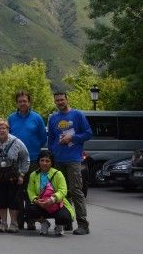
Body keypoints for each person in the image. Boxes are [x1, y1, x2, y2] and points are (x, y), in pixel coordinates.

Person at [47, 92, 93, 235]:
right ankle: (66, 221)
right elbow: (51, 139)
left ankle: (83, 224)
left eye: (62, 99)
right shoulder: (53, 118)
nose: (60, 102)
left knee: (76, 191)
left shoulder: (78, 115)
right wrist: (52, 154)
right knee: (61, 193)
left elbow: (88, 133)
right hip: (58, 160)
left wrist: (72, 137)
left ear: (67, 99)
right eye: (57, 100)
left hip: (73, 159)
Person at [8, 90, 47, 230]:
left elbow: (43, 138)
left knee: (32, 192)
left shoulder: (37, 118)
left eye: (25, 101)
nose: (22, 103)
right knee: (17, 192)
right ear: (17, 103)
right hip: (15, 162)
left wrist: (34, 150)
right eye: (20, 101)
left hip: (33, 160)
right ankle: (18, 221)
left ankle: (31, 220)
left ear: (29, 102)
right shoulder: (11, 118)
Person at [26, 150, 75, 236]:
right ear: (39, 161)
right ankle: (44, 223)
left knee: (64, 217)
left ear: (51, 162)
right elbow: (30, 190)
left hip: (56, 204)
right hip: (41, 204)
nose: (44, 163)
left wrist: (52, 199)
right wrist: (36, 200)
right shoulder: (33, 174)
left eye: (47, 161)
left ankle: (59, 225)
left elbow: (63, 190)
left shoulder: (58, 174)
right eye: (42, 160)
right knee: (30, 210)